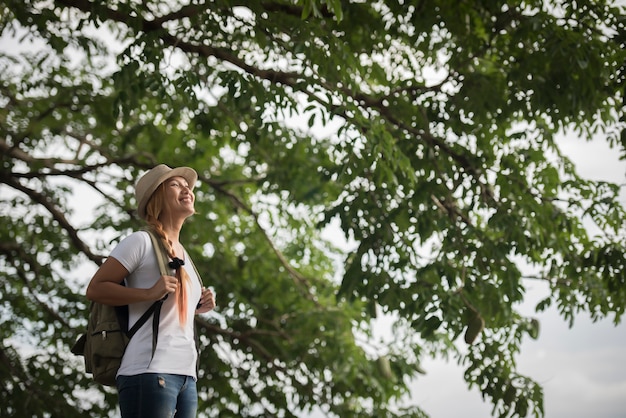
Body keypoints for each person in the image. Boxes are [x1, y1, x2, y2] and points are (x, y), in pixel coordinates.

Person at [86, 164, 215, 418]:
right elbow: (96, 288)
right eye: (175, 184)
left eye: (187, 185)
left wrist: (200, 306)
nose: (186, 188)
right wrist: (148, 293)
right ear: (157, 198)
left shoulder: (185, 255)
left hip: (187, 375)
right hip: (149, 371)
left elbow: (169, 316)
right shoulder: (140, 242)